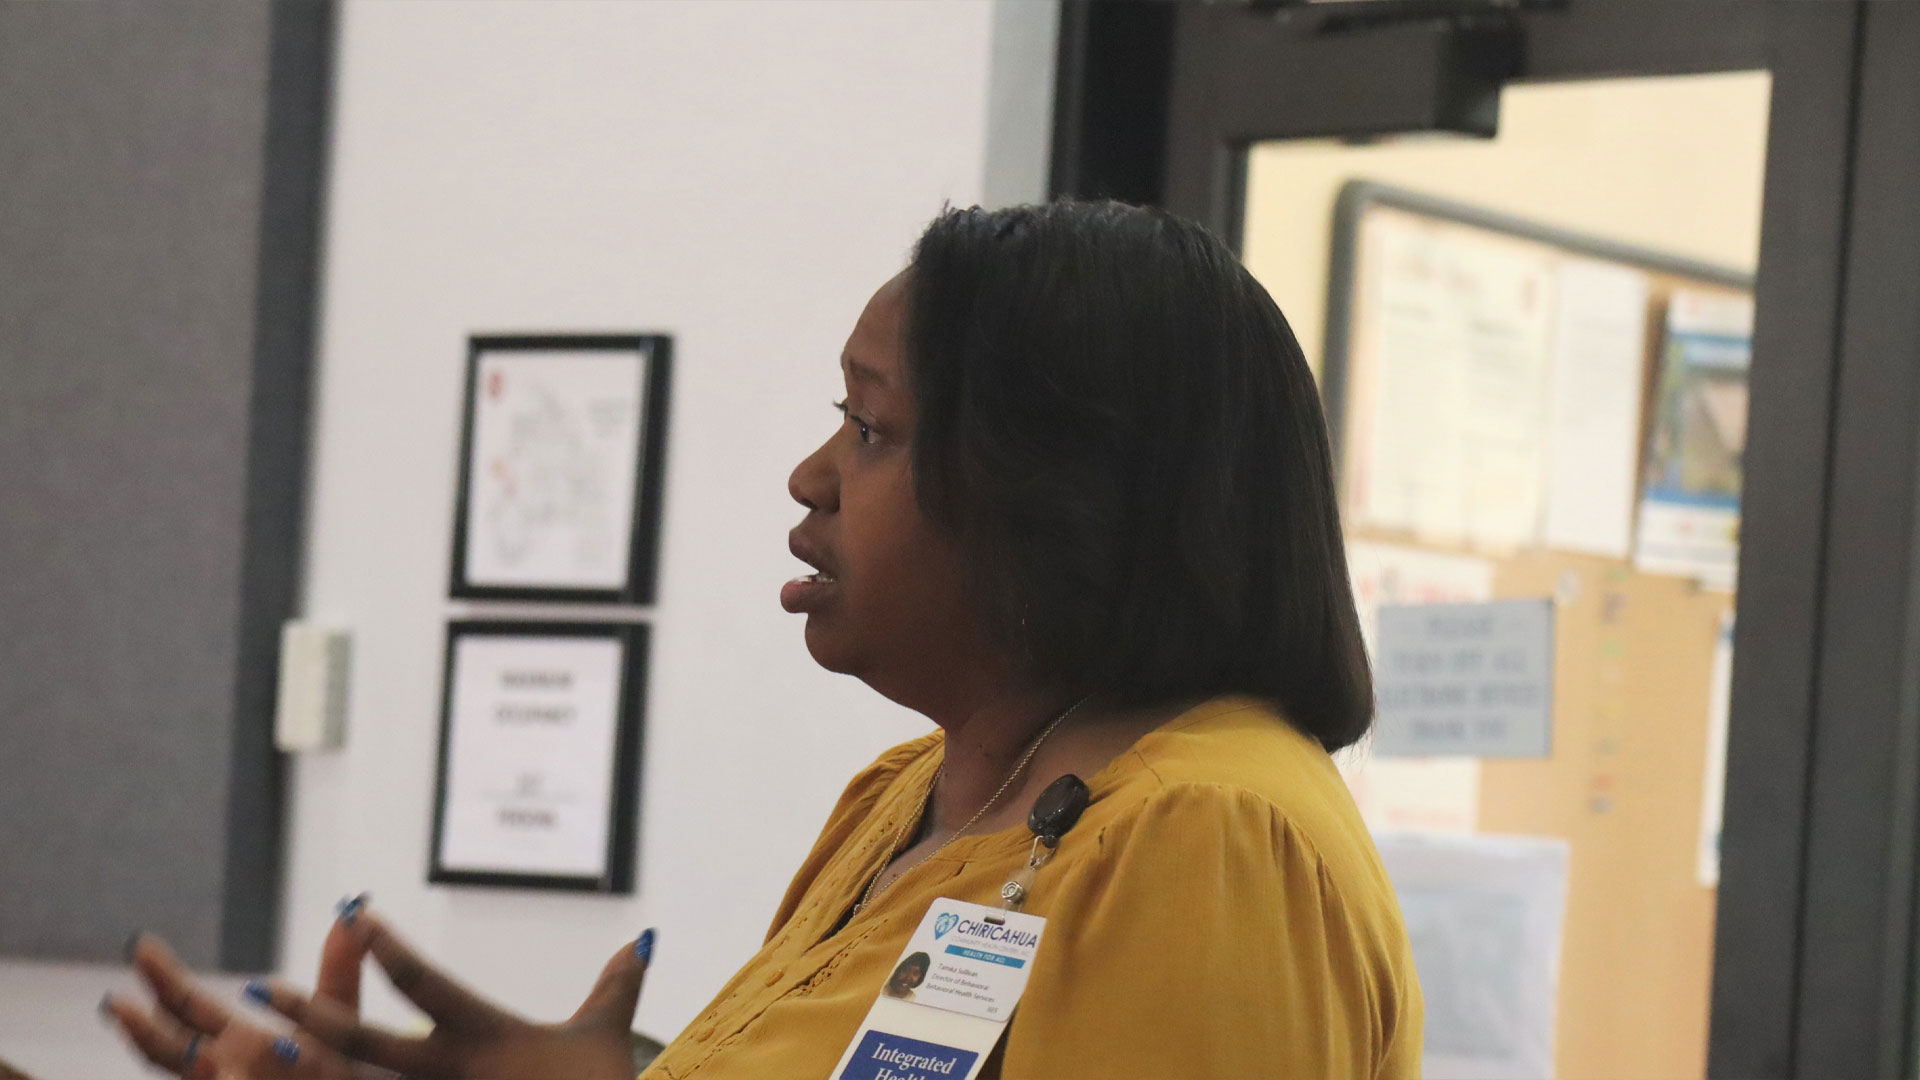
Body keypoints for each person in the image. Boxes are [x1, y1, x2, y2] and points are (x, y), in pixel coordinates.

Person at [102, 200, 1423, 1079]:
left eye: (871, 428)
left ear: (1057, 485)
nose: (811, 476)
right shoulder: (907, 796)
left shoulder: (1213, 844)